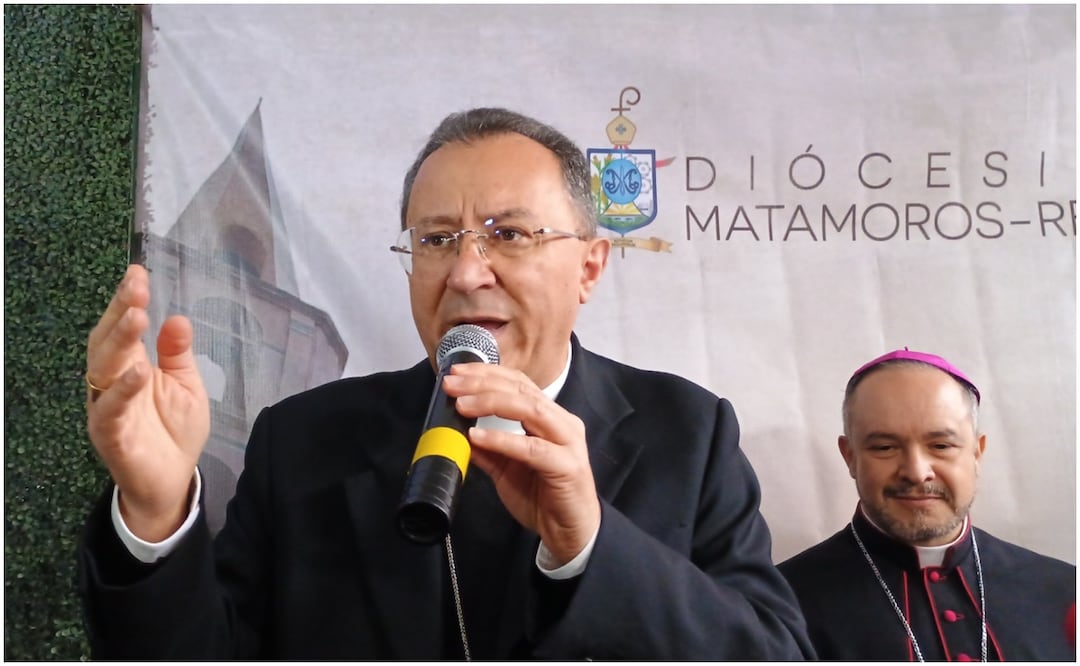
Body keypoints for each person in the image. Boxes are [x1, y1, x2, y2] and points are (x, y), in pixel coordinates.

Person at [77, 107, 814, 659]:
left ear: (589, 267)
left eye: (508, 234)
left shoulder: (688, 432)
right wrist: (154, 513)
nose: (465, 273)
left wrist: (590, 545)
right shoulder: (304, 440)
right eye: (435, 240)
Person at [779, 348, 1076, 661]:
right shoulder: (780, 605)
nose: (917, 472)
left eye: (941, 445)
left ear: (977, 453)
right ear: (850, 456)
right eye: (885, 447)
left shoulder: (1065, 591)